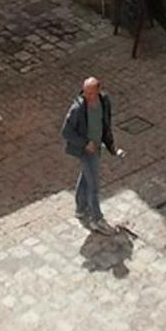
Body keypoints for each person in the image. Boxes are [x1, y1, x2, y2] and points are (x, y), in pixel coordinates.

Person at [62, 75, 122, 233]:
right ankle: (97, 219)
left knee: (86, 177)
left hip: (97, 147)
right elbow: (66, 132)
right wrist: (84, 143)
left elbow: (106, 125)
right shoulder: (77, 109)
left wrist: (112, 147)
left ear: (98, 91)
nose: (87, 96)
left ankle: (81, 209)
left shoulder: (104, 101)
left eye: (90, 93)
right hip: (85, 150)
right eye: (85, 93)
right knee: (94, 185)